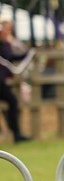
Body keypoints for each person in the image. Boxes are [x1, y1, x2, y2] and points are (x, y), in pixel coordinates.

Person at [0, 13, 31, 143]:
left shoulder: (5, 43)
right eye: (7, 28)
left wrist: (28, 53)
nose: (9, 31)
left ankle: (15, 133)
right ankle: (16, 134)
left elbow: (10, 57)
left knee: (12, 102)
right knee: (12, 102)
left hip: (1, 81)